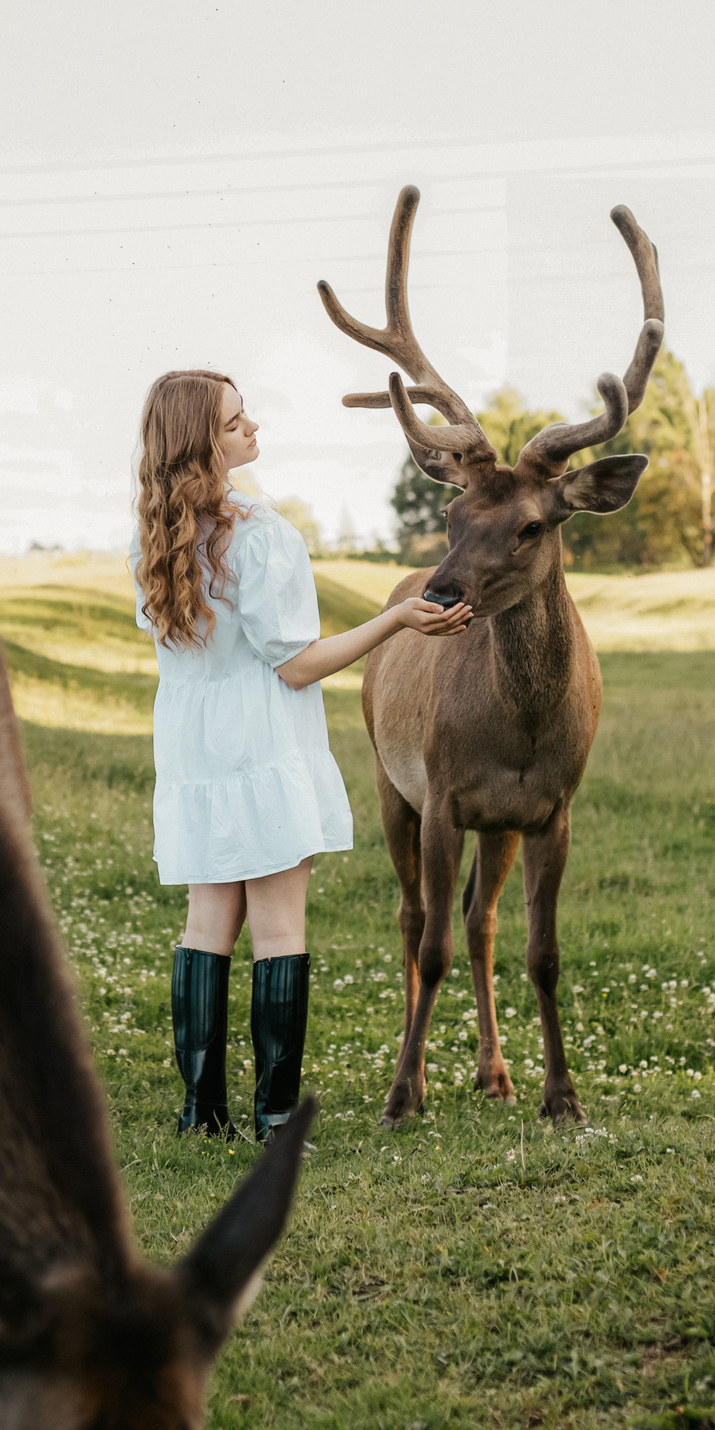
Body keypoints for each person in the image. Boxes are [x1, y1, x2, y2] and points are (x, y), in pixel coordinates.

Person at [131, 369, 472, 1140]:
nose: (253, 428)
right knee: (279, 928)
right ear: (200, 444)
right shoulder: (260, 535)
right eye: (234, 423)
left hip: (193, 747)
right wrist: (397, 621)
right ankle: (276, 1115)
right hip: (263, 741)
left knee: (206, 920)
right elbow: (296, 664)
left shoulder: (152, 533)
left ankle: (200, 1114)